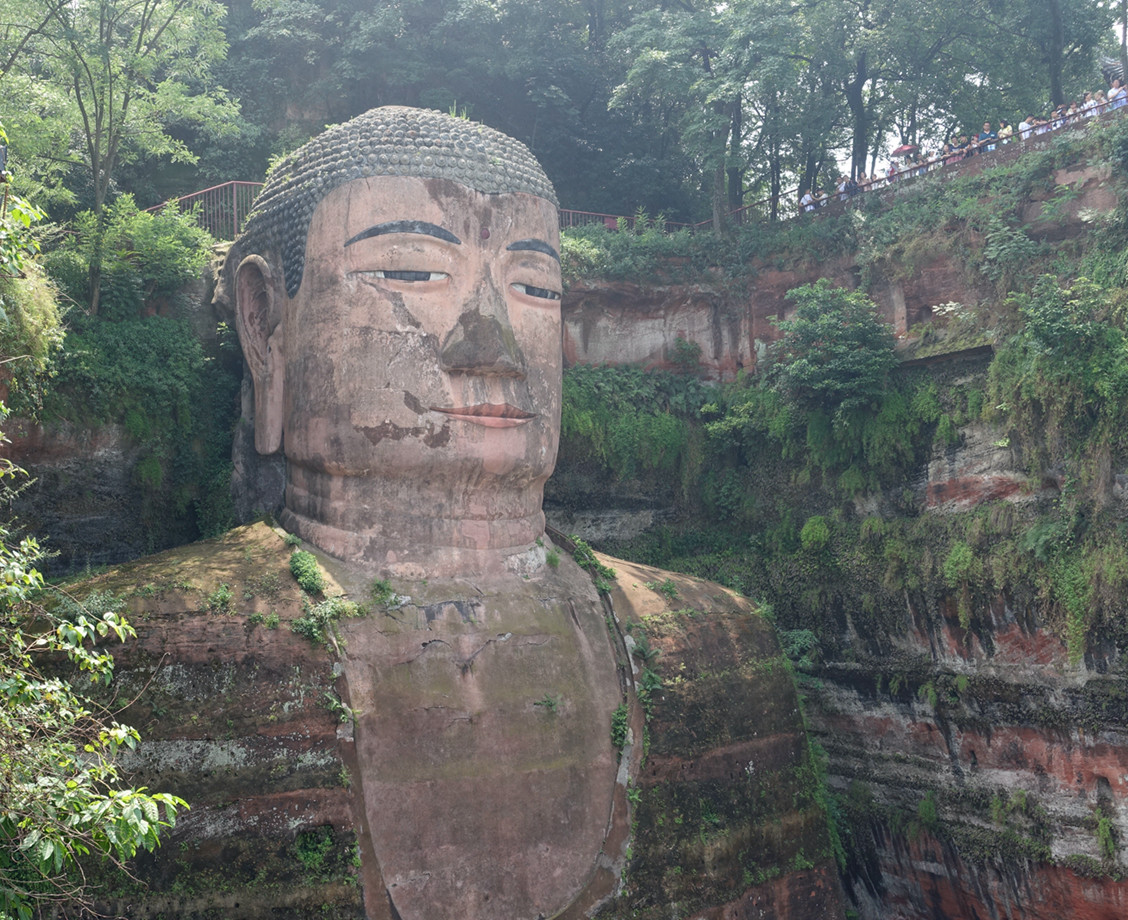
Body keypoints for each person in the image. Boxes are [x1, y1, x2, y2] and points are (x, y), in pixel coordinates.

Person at [219, 105, 828, 920]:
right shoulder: (135, 658)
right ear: (264, 323)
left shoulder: (718, 643)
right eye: (410, 272)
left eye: (535, 288)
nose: (492, 343)